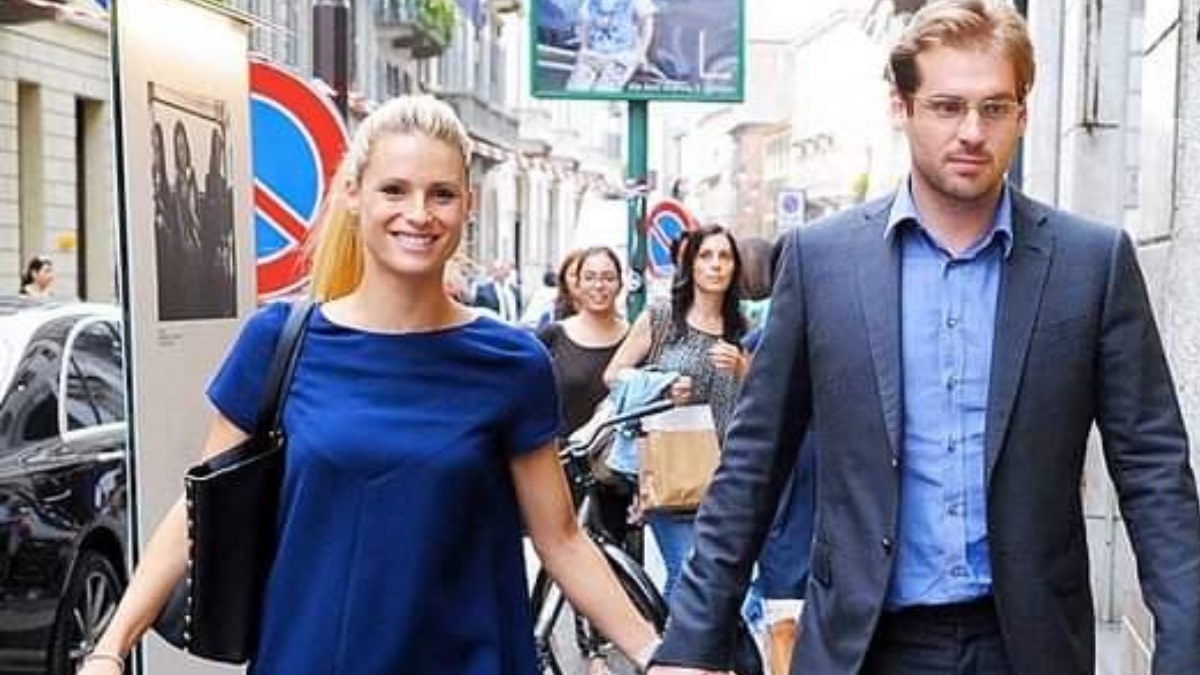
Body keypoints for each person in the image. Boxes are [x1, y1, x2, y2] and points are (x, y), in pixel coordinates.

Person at [648, 2, 1200, 674]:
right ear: (901, 107)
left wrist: (1185, 647)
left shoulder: (1092, 263)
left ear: (1023, 115)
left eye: (994, 108)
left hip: (1028, 647)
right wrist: (693, 640)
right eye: (946, 106)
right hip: (863, 646)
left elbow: (1153, 470)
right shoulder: (822, 262)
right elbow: (754, 461)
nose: (972, 131)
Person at [79, 94, 659, 675]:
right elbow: (200, 512)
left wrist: (655, 654)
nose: (419, 213)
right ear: (354, 195)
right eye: (395, 190)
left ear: (468, 205)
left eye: (442, 194)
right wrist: (112, 646)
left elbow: (561, 539)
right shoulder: (279, 341)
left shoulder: (512, 362)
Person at [604, 224, 748, 603]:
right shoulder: (663, 317)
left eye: (725, 256)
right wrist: (660, 386)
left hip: (727, 473)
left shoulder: (743, 327)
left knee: (716, 578)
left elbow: (765, 396)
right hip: (671, 466)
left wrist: (743, 369)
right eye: (706, 255)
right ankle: (675, 641)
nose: (716, 265)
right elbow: (613, 376)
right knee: (685, 569)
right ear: (691, 264)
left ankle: (681, 637)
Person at [536, 245, 630, 675]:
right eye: (590, 277)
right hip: (560, 464)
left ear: (621, 282)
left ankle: (602, 643)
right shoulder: (553, 337)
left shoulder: (634, 338)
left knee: (612, 556)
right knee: (571, 553)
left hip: (615, 468)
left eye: (607, 277)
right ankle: (590, 649)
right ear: (575, 283)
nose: (599, 286)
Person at [567, 0, 657, 93]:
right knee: (575, 92)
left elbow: (647, 24)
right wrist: (584, 48)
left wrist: (640, 53)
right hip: (593, 54)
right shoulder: (590, 2)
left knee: (604, 92)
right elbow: (585, 23)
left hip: (620, 57)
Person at [475, 259, 522, 323]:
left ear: (507, 271)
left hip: (513, 325)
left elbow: (518, 309)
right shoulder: (483, 291)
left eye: (501, 268)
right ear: (491, 272)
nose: (498, 272)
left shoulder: (514, 290)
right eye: (495, 269)